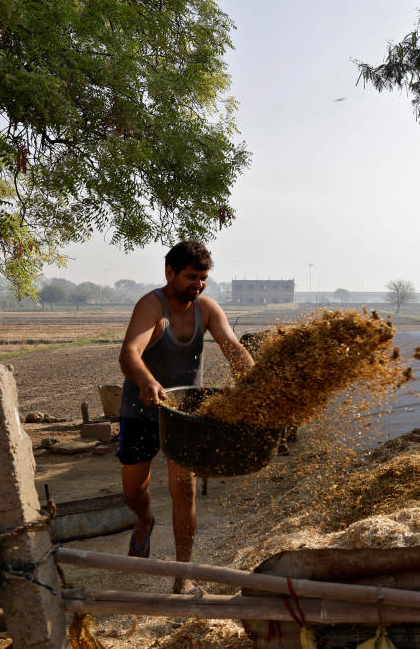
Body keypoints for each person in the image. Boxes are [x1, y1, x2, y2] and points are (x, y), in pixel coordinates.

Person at [118, 239, 253, 594]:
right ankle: (144, 520)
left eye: (204, 278)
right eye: (191, 277)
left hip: (184, 415)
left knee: (185, 491)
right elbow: (129, 353)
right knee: (134, 489)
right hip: (142, 407)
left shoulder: (206, 309)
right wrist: (148, 381)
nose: (199, 284)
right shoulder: (152, 306)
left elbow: (233, 348)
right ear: (169, 272)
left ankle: (183, 574)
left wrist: (256, 382)